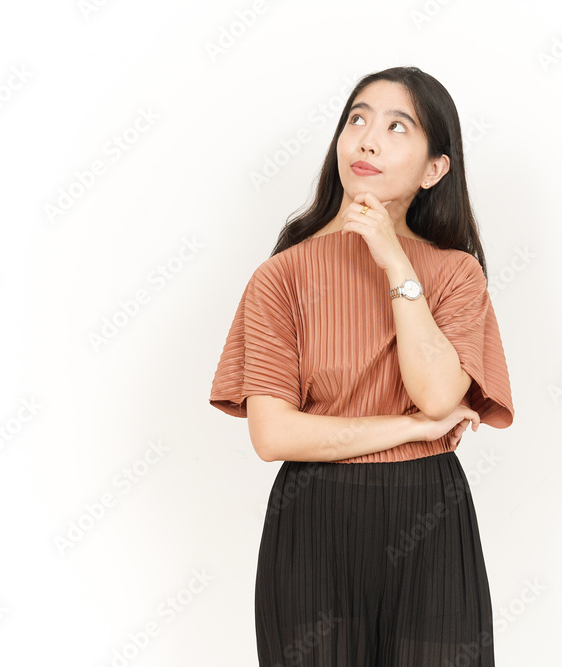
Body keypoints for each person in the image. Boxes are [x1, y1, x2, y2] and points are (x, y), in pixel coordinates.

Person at [210, 65, 514, 666]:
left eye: (398, 126)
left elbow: (437, 394)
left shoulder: (457, 274)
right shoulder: (282, 276)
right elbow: (273, 436)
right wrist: (410, 429)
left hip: (430, 519)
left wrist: (396, 263)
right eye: (357, 120)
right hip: (314, 524)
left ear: (434, 169)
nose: (368, 140)